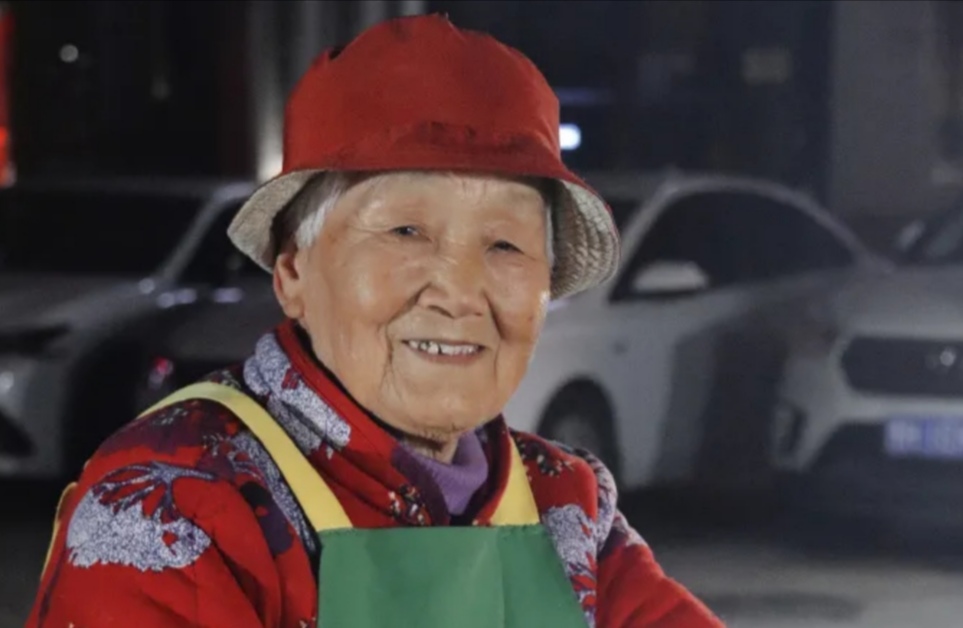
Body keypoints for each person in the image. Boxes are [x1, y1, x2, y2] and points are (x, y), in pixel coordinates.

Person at [28, 14, 723, 628]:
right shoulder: (174, 504)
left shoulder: (565, 504)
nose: (460, 292)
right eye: (405, 231)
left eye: (506, 245)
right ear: (292, 273)